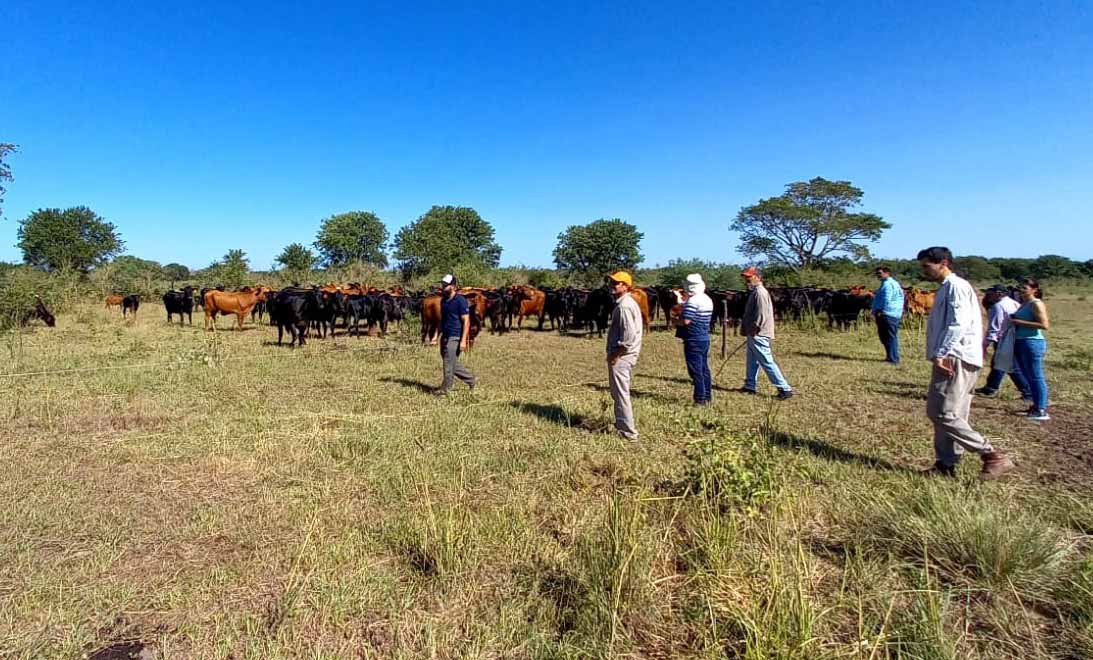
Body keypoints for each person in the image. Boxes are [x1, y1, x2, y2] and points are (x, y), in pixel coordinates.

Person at [918, 246, 1013, 479]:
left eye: (926, 266)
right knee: (953, 412)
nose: (924, 271)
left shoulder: (956, 287)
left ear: (943, 262)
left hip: (955, 356)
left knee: (941, 411)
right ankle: (945, 465)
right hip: (957, 355)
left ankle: (992, 454)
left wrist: (942, 352)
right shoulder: (949, 288)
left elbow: (957, 324)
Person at [738, 266, 793, 399]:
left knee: (766, 361)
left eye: (749, 277)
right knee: (753, 360)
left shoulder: (760, 292)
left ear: (757, 277)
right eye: (746, 277)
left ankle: (784, 389)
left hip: (759, 332)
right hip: (755, 332)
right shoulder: (756, 291)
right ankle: (750, 385)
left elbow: (762, 313)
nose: (746, 280)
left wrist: (755, 328)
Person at [975, 284, 1032, 399]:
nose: (988, 295)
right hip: (1014, 337)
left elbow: (995, 327)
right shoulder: (1013, 303)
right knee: (999, 364)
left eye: (991, 293)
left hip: (1003, 339)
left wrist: (985, 344)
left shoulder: (998, 306)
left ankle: (1028, 392)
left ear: (999, 293)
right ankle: (991, 387)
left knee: (1010, 367)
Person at [605, 270, 643, 440]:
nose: (613, 285)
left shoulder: (624, 306)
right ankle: (622, 426)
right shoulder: (627, 302)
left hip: (622, 356)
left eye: (617, 283)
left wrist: (615, 355)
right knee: (619, 392)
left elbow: (628, 337)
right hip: (625, 354)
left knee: (621, 393)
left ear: (626, 286)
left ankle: (628, 432)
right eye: (612, 282)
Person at [1010, 278, 1051, 421]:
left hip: (1032, 342)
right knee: (1029, 376)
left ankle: (1041, 408)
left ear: (1034, 289)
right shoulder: (1024, 304)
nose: (1021, 290)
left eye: (1025, 287)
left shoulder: (1036, 303)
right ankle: (1036, 405)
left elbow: (1044, 325)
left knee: (1036, 376)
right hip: (1021, 341)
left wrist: (1017, 321)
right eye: (1020, 287)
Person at [436, 274, 476, 394]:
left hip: (455, 335)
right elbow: (442, 320)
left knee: (449, 361)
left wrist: (463, 340)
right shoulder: (444, 301)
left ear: (453, 286)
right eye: (442, 284)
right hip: (446, 335)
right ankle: (471, 379)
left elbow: (466, 321)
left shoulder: (461, 301)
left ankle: (446, 389)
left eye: (446, 285)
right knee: (450, 360)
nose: (442, 286)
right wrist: (435, 335)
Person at [677, 273, 713, 405]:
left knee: (695, 370)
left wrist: (676, 320)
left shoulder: (692, 301)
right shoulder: (707, 299)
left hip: (693, 338)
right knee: (704, 369)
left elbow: (686, 321)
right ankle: (708, 396)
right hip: (704, 337)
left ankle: (700, 399)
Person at [871, 266, 905, 364]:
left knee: (889, 336)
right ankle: (890, 357)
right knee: (887, 336)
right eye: (877, 273)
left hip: (887, 313)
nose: (878, 275)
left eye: (880, 273)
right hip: (892, 313)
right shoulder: (894, 283)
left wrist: (880, 310)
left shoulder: (887, 284)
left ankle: (893, 359)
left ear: (887, 273)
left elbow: (887, 299)